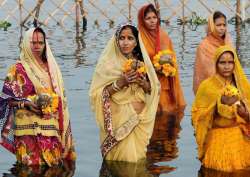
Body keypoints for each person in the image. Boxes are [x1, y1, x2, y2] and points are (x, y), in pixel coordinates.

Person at [0, 27, 76, 166]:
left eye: (40, 42)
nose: (37, 46)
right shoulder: (17, 69)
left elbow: (61, 98)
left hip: (50, 128)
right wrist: (26, 103)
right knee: (28, 169)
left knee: (53, 168)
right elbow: (6, 100)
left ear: (45, 44)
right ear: (25, 44)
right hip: (27, 131)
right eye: (33, 42)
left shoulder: (52, 68)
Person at [89, 22, 160, 162]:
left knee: (137, 163)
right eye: (122, 38)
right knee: (121, 163)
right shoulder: (107, 64)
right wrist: (121, 83)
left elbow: (153, 89)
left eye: (130, 38)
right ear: (116, 40)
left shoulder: (141, 61)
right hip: (119, 122)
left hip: (140, 122)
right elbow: (97, 94)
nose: (125, 42)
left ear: (136, 42)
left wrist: (143, 83)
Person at [192, 45, 250, 172]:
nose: (227, 66)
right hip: (217, 139)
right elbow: (196, 114)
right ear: (216, 64)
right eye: (222, 62)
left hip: (239, 139)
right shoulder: (207, 86)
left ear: (235, 64)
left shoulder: (241, 85)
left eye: (230, 62)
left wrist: (245, 114)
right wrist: (216, 106)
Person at [138, 3, 186, 115]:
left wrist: (167, 67)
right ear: (142, 20)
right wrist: (153, 69)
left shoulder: (163, 35)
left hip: (164, 81)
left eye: (154, 17)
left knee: (166, 115)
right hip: (146, 83)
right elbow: (137, 61)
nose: (152, 21)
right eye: (148, 18)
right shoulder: (139, 38)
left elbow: (171, 57)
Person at [193, 11, 233, 94]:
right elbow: (205, 73)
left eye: (224, 25)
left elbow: (235, 66)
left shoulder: (228, 43)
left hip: (230, 87)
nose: (222, 28)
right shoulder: (203, 46)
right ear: (211, 26)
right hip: (211, 90)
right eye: (218, 25)